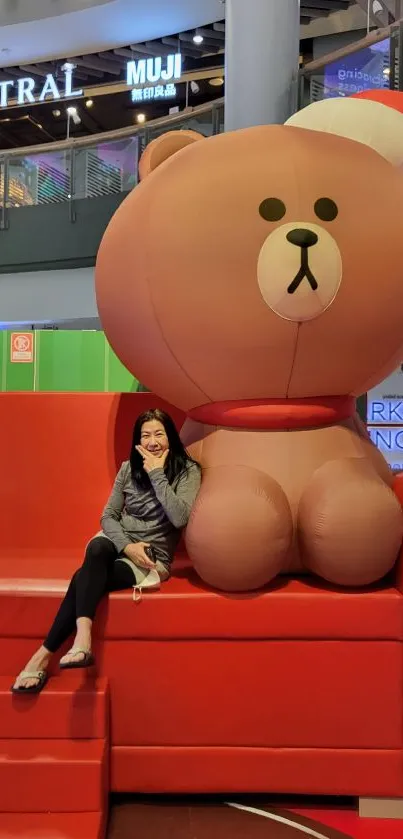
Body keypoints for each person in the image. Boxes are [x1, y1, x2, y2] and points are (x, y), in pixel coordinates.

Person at [12, 409, 201, 694]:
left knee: (82, 577)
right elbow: (108, 516)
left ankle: (42, 656)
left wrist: (158, 475)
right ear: (137, 440)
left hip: (152, 557)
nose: (152, 442)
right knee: (98, 547)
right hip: (120, 542)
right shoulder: (128, 468)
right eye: (145, 435)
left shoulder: (188, 471)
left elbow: (179, 518)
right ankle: (83, 639)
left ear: (170, 438)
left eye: (159, 434)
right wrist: (126, 545)